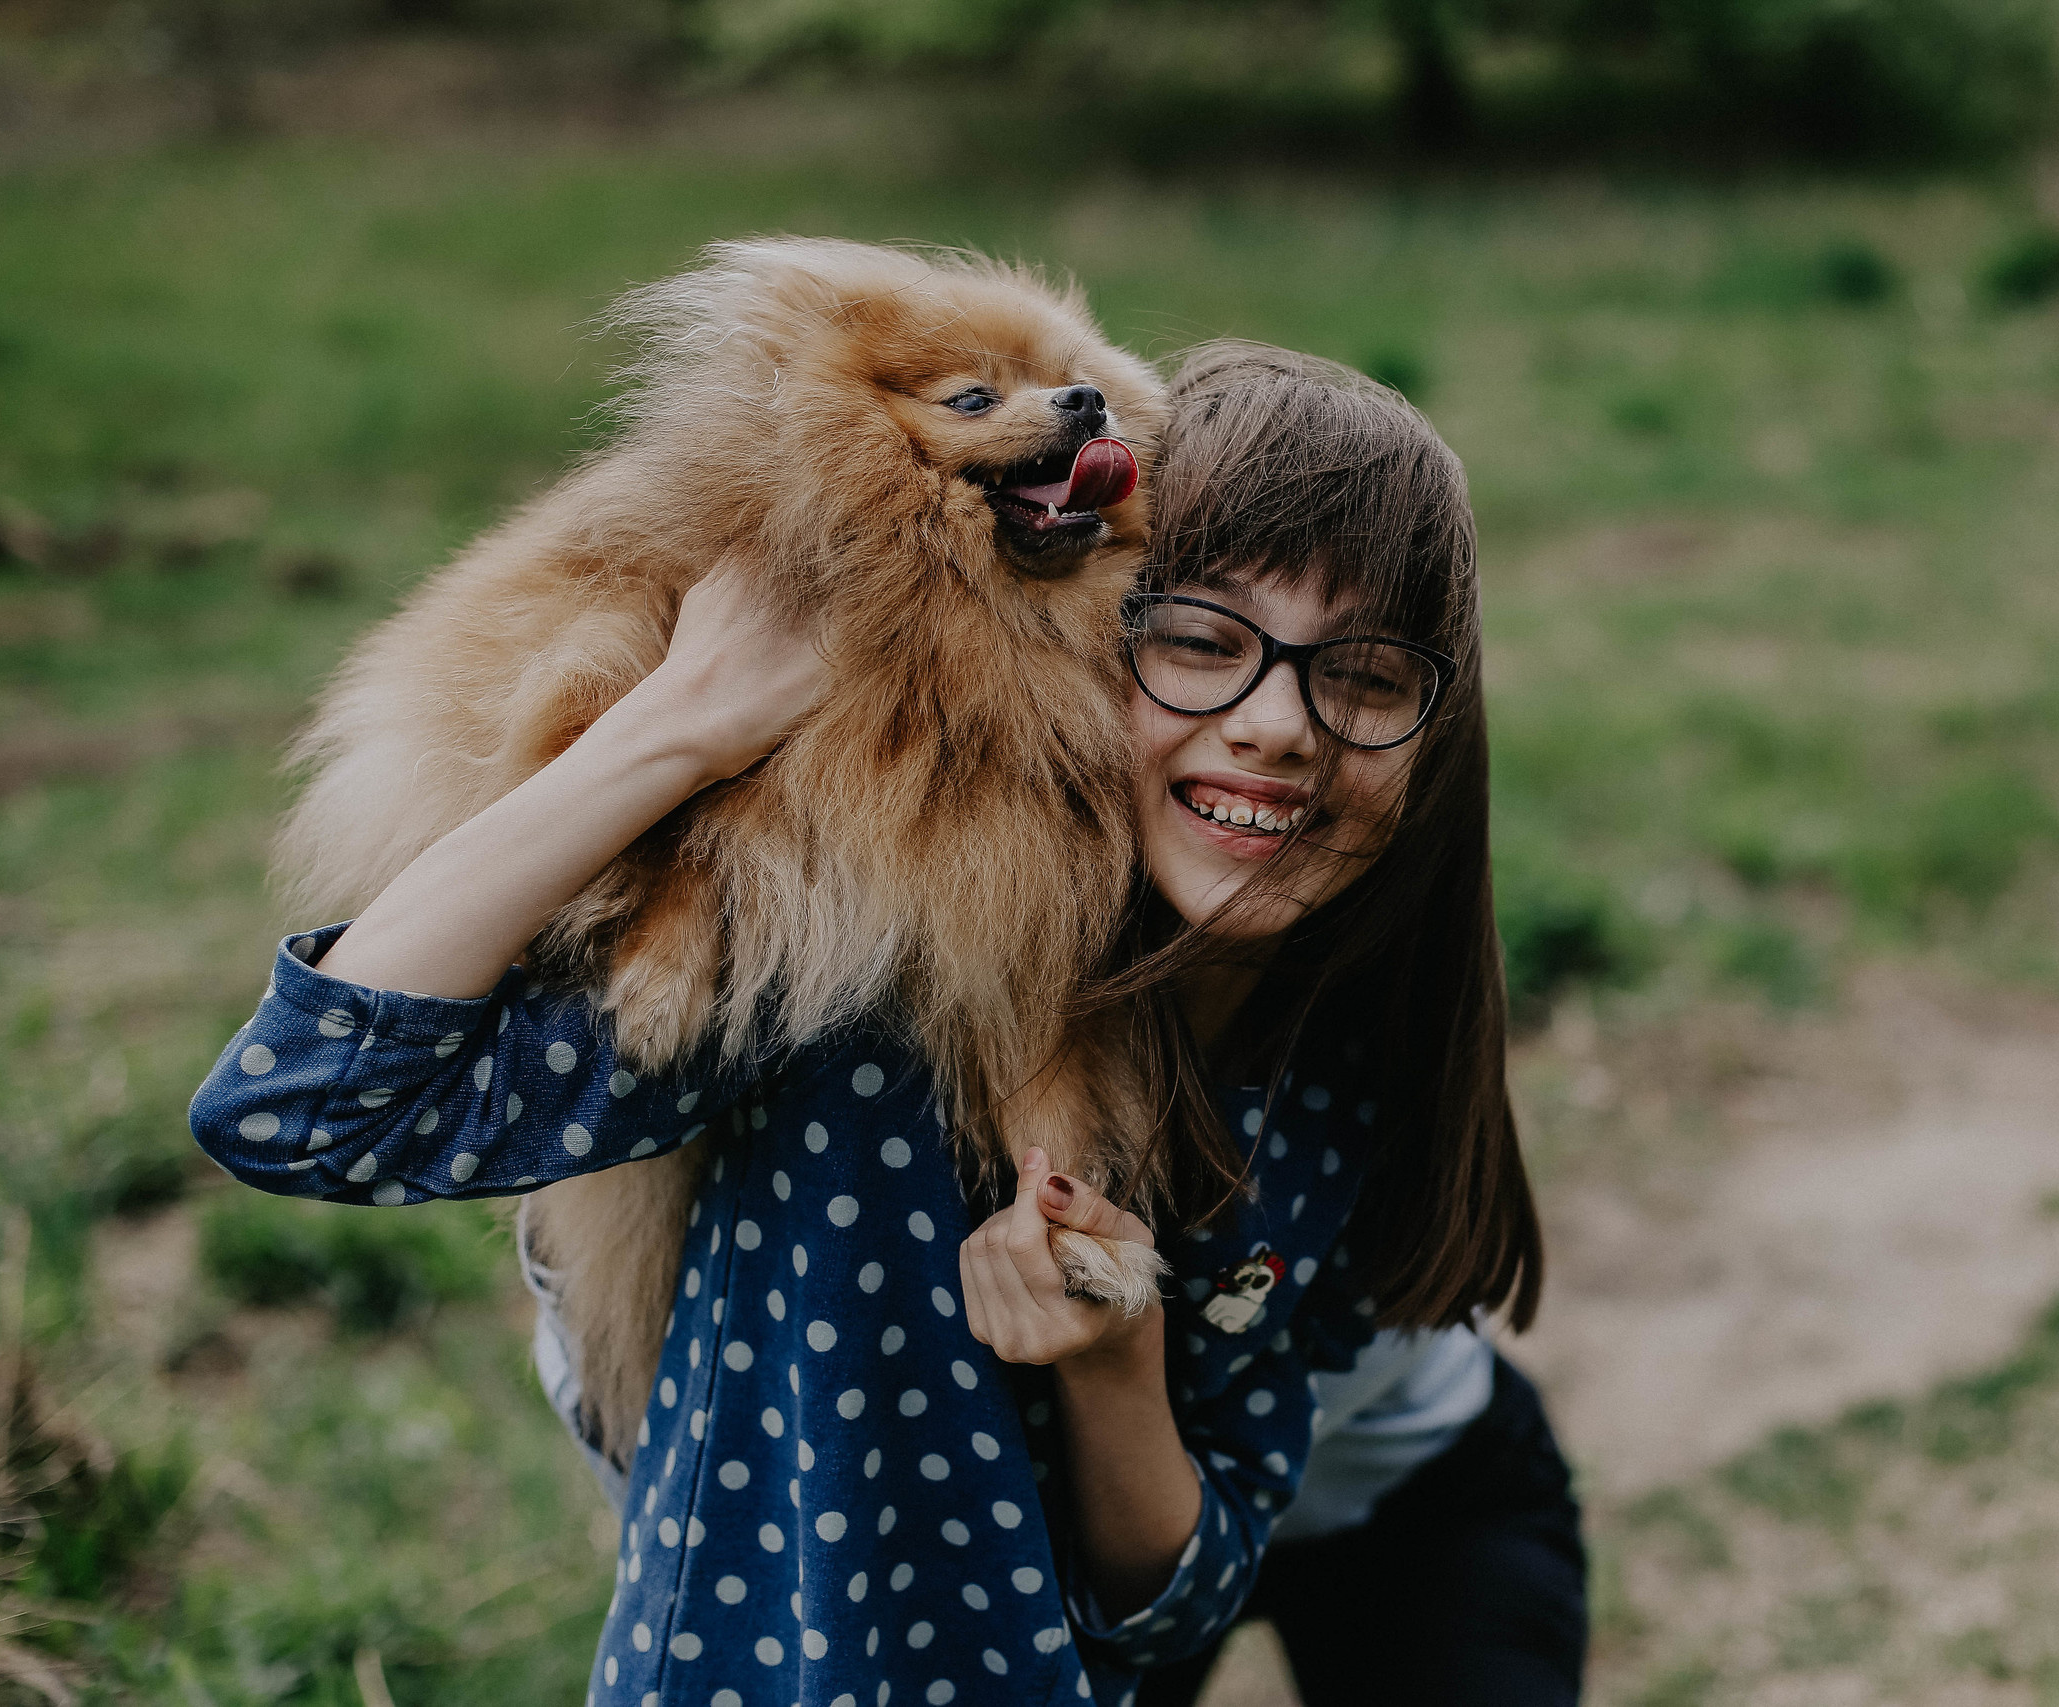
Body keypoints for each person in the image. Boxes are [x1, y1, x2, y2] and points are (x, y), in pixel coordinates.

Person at [189, 340, 1580, 1707]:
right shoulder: (863, 986)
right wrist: (681, 722)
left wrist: (1116, 1362)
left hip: (1403, 1506)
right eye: (1201, 643)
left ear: (1433, 732)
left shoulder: (1329, 1094)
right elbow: (303, 1103)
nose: (1279, 725)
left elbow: (1177, 1597)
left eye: (1367, 678)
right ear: (1081, 638)